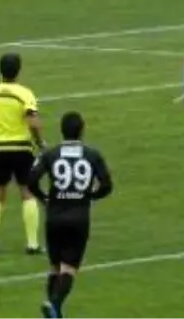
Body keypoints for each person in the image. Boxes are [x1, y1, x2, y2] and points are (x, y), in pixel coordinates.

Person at [27, 111, 113, 319]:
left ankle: (55, 312)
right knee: (70, 268)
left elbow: (31, 180)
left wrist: (44, 198)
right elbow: (107, 185)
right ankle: (53, 304)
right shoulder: (92, 155)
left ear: (62, 131)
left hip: (54, 215)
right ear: (82, 130)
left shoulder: (50, 154)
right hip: (79, 217)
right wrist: (90, 196)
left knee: (55, 267)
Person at [0, 52, 46, 255]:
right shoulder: (25, 93)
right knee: (27, 193)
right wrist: (40, 142)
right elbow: (32, 121)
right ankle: (32, 244)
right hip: (22, 148)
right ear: (19, 70)